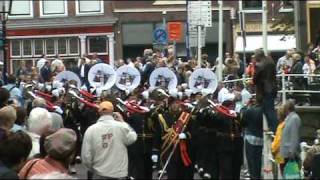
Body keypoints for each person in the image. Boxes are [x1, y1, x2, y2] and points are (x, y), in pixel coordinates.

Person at [81, 101, 137, 179]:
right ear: (112, 111)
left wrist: (92, 168)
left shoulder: (91, 129)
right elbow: (133, 137)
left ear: (99, 112)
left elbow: (86, 155)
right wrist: (123, 122)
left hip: (99, 172)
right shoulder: (121, 127)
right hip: (118, 173)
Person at [253, 48, 278, 132]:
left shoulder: (260, 65)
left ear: (258, 56)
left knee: (268, 110)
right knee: (270, 109)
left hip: (264, 90)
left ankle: (273, 129)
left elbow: (255, 79)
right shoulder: (270, 61)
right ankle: (272, 128)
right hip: (272, 88)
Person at [241, 98, 263, 179]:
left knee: (251, 159)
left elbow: (242, 122)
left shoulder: (250, 110)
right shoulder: (265, 110)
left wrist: (248, 106)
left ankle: (253, 176)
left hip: (250, 137)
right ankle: (257, 176)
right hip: (261, 137)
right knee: (258, 160)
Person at [280, 99, 301, 172]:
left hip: (290, 155)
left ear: (287, 108)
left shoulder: (294, 118)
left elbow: (294, 136)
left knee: (291, 174)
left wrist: (291, 152)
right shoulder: (289, 118)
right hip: (286, 153)